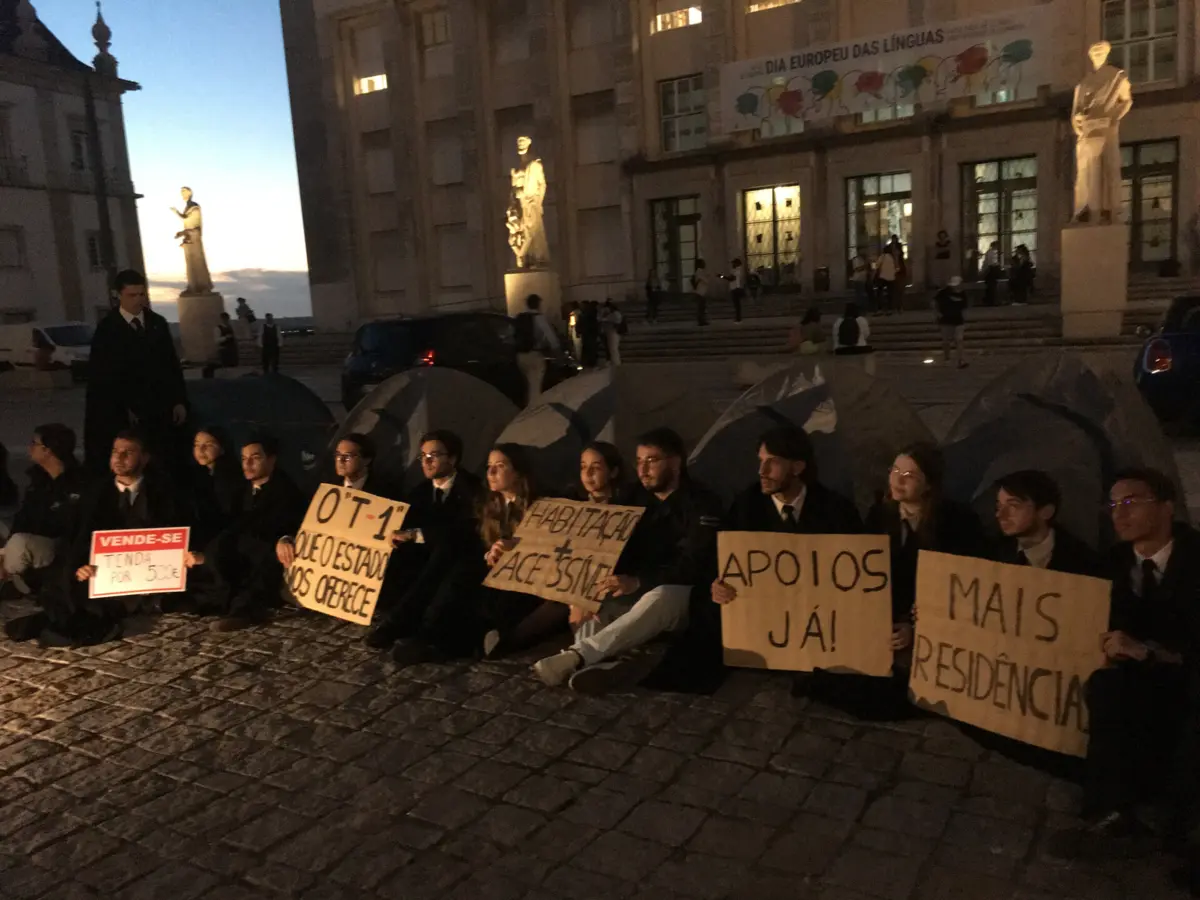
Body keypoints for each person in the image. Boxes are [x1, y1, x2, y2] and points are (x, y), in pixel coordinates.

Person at [1048, 469, 1200, 859]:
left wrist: (1150, 652)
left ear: (1167, 508)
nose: (1119, 512)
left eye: (1131, 502)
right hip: (1134, 674)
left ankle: (1180, 828)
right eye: (1113, 505)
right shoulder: (1113, 561)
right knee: (1104, 688)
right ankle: (1112, 812)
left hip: (1186, 671)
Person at [532, 428, 723, 695]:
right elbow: (603, 546)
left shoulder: (703, 503)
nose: (643, 469)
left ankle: (577, 655)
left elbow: (692, 564)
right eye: (639, 461)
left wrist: (640, 582)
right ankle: (602, 668)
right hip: (631, 588)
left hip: (679, 595)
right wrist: (583, 592)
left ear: (676, 462)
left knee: (661, 595)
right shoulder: (632, 498)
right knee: (595, 595)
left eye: (652, 461)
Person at [7, 430, 183, 646]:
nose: (119, 458)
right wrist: (82, 565)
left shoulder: (163, 492)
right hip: (104, 572)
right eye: (115, 451)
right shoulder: (96, 492)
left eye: (128, 452)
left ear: (144, 458)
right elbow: (80, 536)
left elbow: (172, 533)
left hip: (149, 573)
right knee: (66, 588)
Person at [859, 443, 986, 716]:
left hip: (934, 629)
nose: (897, 479)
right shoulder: (879, 515)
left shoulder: (958, 522)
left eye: (910, 475)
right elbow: (868, 577)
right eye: (894, 470)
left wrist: (918, 629)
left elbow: (964, 588)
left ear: (929, 484)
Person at [364, 430, 483, 659]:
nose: (427, 462)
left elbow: (465, 532)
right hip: (427, 555)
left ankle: (402, 622)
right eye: (423, 456)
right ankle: (396, 615)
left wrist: (417, 535)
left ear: (453, 458)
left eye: (434, 455)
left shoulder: (471, 489)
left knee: (444, 552)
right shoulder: (419, 492)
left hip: (460, 555)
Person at [185, 435, 305, 632]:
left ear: (271, 460)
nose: (247, 464)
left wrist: (284, 538)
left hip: (269, 551)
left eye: (255, 458)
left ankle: (244, 611)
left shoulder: (285, 491)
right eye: (244, 458)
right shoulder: (240, 489)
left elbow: (292, 522)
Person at [84, 270, 188, 475]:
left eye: (142, 294)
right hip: (124, 411)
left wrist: (178, 400)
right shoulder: (107, 329)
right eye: (132, 295)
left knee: (164, 460)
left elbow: (171, 365)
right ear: (118, 295)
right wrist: (123, 408)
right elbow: (103, 377)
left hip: (160, 408)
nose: (138, 300)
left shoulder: (157, 323)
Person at [478, 444, 569, 659]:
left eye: (499, 466)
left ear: (518, 471)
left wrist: (519, 550)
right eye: (489, 466)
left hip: (536, 579)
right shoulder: (490, 504)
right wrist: (491, 553)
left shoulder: (543, 503)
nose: (491, 473)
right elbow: (482, 543)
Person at [0, 425, 85, 600]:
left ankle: (15, 581)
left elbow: (70, 526)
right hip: (33, 541)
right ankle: (15, 577)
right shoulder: (39, 480)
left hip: (58, 547)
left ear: (48, 450)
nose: (30, 448)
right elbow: (23, 517)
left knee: (19, 543)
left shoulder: (78, 483)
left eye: (34, 443)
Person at [991, 470, 1099, 575]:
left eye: (1013, 506)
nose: (1000, 514)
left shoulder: (1083, 562)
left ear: (1046, 512)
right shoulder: (992, 552)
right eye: (999, 506)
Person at [186, 426, 244, 550]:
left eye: (208, 445)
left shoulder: (233, 476)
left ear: (222, 448)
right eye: (197, 445)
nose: (201, 450)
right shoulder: (194, 475)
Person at [514, 293, 561, 407]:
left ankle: (527, 407)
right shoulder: (539, 318)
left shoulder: (520, 317)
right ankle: (533, 411)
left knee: (528, 384)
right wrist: (557, 351)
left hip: (520, 355)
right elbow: (552, 338)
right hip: (534, 355)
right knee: (535, 386)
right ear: (537, 304)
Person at [934, 275, 968, 369]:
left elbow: (964, 306)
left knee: (959, 340)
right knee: (946, 341)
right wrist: (938, 314)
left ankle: (961, 360)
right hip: (946, 320)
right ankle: (947, 358)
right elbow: (935, 303)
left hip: (958, 320)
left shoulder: (962, 294)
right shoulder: (943, 293)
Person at [833, 302, 874, 374]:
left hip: (842, 350)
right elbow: (867, 334)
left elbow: (835, 336)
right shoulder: (862, 320)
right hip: (860, 349)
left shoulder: (838, 321)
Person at [874, 244, 898, 314]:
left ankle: (880, 309)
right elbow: (897, 268)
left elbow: (877, 265)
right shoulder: (893, 257)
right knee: (890, 294)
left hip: (882, 277)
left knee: (879, 293)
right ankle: (890, 309)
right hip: (891, 278)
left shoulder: (883, 256)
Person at [599, 299, 625, 366]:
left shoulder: (615, 314)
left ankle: (616, 362)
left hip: (614, 332)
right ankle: (614, 361)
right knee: (611, 348)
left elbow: (615, 321)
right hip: (610, 332)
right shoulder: (612, 314)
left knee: (613, 348)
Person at [578, 300, 601, 369]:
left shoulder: (590, 314)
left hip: (590, 333)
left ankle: (591, 363)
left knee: (591, 348)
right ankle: (588, 363)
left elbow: (594, 324)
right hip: (587, 334)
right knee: (587, 348)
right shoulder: (584, 314)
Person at [724, 258, 746, 323]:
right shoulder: (736, 270)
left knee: (737, 305)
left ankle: (738, 318)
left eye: (733, 263)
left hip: (736, 289)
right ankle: (738, 318)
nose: (732, 264)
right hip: (735, 289)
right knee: (737, 305)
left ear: (736, 264)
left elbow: (731, 278)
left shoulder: (737, 271)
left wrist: (721, 276)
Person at [983, 241, 1002, 306]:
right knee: (991, 287)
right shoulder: (992, 252)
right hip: (990, 271)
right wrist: (998, 266)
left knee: (991, 287)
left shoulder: (991, 252)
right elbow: (992, 263)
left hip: (990, 271)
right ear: (994, 246)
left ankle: (990, 301)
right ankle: (991, 302)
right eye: (997, 245)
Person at [692, 259, 710, 326]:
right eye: (703, 263)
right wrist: (707, 277)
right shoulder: (699, 271)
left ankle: (702, 320)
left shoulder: (700, 271)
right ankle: (701, 321)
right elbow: (705, 280)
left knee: (702, 307)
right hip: (700, 292)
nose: (704, 264)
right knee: (701, 307)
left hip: (702, 292)